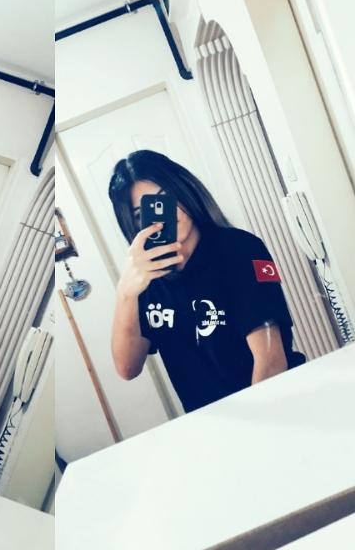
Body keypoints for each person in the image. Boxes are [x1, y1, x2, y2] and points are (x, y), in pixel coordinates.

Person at [109, 150, 304, 413]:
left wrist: (254, 428)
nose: (162, 213)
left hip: (273, 405)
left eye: (166, 196)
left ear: (184, 188)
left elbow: (270, 362)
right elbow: (127, 368)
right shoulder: (147, 278)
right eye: (141, 213)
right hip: (209, 423)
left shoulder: (240, 249)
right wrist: (126, 292)